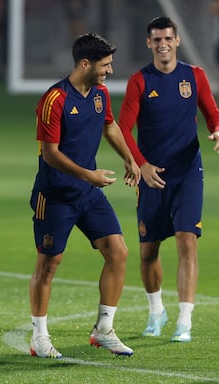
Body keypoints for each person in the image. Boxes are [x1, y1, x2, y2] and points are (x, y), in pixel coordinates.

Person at [29, 32, 140, 359]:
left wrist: (129, 158)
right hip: (56, 195)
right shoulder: (54, 100)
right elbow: (50, 154)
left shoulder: (100, 93)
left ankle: (104, 329)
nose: (110, 69)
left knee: (118, 252)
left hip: (87, 194)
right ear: (85, 63)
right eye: (105, 64)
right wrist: (88, 174)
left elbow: (110, 126)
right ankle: (39, 337)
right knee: (49, 264)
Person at [118, 17, 219, 342]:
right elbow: (123, 129)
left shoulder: (194, 76)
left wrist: (218, 132)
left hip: (188, 172)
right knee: (148, 249)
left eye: (168, 38)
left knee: (186, 240)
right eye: (156, 39)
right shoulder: (139, 81)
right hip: (151, 176)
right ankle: (156, 312)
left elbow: (212, 112)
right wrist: (141, 165)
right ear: (149, 44)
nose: (163, 44)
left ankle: (185, 321)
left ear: (177, 40)